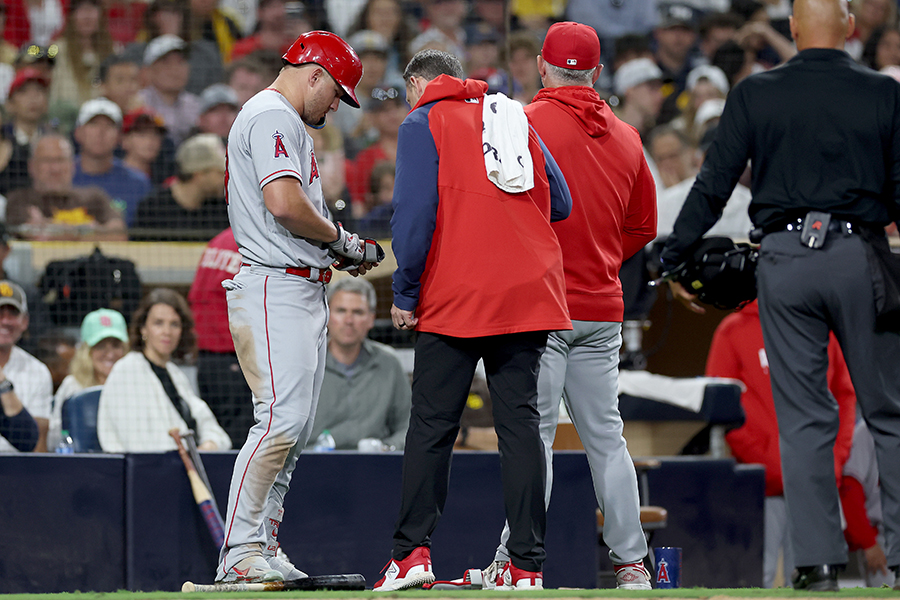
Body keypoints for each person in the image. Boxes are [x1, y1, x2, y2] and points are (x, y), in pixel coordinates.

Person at [659, 0, 900, 590]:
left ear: (792, 27)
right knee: (888, 413)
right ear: (848, 28)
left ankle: (816, 563)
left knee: (803, 419)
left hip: (784, 262)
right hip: (859, 254)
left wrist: (674, 259)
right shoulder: (884, 92)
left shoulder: (755, 93)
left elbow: (712, 184)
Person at [374, 48, 572, 592]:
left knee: (434, 426)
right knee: (521, 428)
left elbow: (413, 218)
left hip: (455, 294)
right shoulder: (510, 113)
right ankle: (526, 567)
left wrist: (405, 292)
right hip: (528, 291)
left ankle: (411, 557)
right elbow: (561, 203)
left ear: (417, 84)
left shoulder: (422, 120)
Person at [470, 22, 657, 591]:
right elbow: (644, 225)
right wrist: (599, 260)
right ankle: (632, 567)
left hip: (543, 306)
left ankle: (516, 561)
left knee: (536, 437)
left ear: (541, 66)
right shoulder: (626, 135)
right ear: (596, 72)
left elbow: (496, 210)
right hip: (602, 306)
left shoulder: (523, 122)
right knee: (607, 437)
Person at [215, 30, 372, 585]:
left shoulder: (282, 119)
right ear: (314, 73)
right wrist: (344, 242)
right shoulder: (271, 114)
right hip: (273, 284)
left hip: (298, 284)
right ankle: (239, 552)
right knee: (279, 421)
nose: (336, 104)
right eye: (336, 93)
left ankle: (262, 540)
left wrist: (333, 247)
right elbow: (283, 204)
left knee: (295, 427)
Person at [706, 300, 857, 588]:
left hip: (815, 481)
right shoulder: (733, 330)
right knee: (751, 580)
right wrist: (771, 463)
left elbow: (844, 396)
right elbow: (722, 404)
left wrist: (833, 459)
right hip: (759, 487)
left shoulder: (823, 328)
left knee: (818, 581)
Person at [96, 287, 231, 452]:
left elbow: (212, 428)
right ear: (143, 328)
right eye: (158, 323)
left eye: (174, 324)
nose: (167, 332)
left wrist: (210, 444)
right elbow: (138, 445)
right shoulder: (126, 371)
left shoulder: (176, 374)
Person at [309, 276, 410, 451]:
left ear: (371, 318)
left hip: (374, 467)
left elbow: (407, 427)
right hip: (311, 465)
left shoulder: (389, 364)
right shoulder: (307, 362)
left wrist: (387, 448)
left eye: (358, 312)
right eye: (341, 311)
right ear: (326, 314)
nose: (349, 320)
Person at [187, 227, 253, 448]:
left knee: (215, 434)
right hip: (233, 359)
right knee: (236, 442)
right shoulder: (251, 243)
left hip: (207, 361)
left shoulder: (219, 241)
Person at [5, 133, 127, 240]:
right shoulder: (18, 200)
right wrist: (91, 229)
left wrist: (50, 228)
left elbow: (119, 234)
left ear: (73, 165)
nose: (55, 169)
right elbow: (35, 235)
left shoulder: (94, 196)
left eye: (61, 160)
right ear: (32, 166)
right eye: (47, 161)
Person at [47, 308, 129, 450]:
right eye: (100, 346)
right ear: (86, 351)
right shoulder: (72, 385)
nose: (110, 354)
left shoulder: (136, 384)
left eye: (116, 345)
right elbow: (53, 440)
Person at [132, 133, 230, 240]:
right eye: (220, 173)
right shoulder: (153, 208)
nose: (226, 179)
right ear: (200, 174)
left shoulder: (222, 209)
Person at [72, 98, 153, 227]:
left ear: (119, 136)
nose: (101, 132)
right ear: (78, 133)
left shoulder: (138, 183)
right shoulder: (61, 176)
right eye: (93, 124)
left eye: (109, 126)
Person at [0, 280, 53, 452]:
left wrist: (3, 385)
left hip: (18, 470)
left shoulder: (38, 371)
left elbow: (34, 443)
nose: (5, 321)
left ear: (25, 322)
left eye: (13, 314)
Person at [137, 34, 203, 146]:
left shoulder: (197, 105)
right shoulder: (138, 104)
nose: (175, 69)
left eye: (180, 61)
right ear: (148, 70)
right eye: (166, 62)